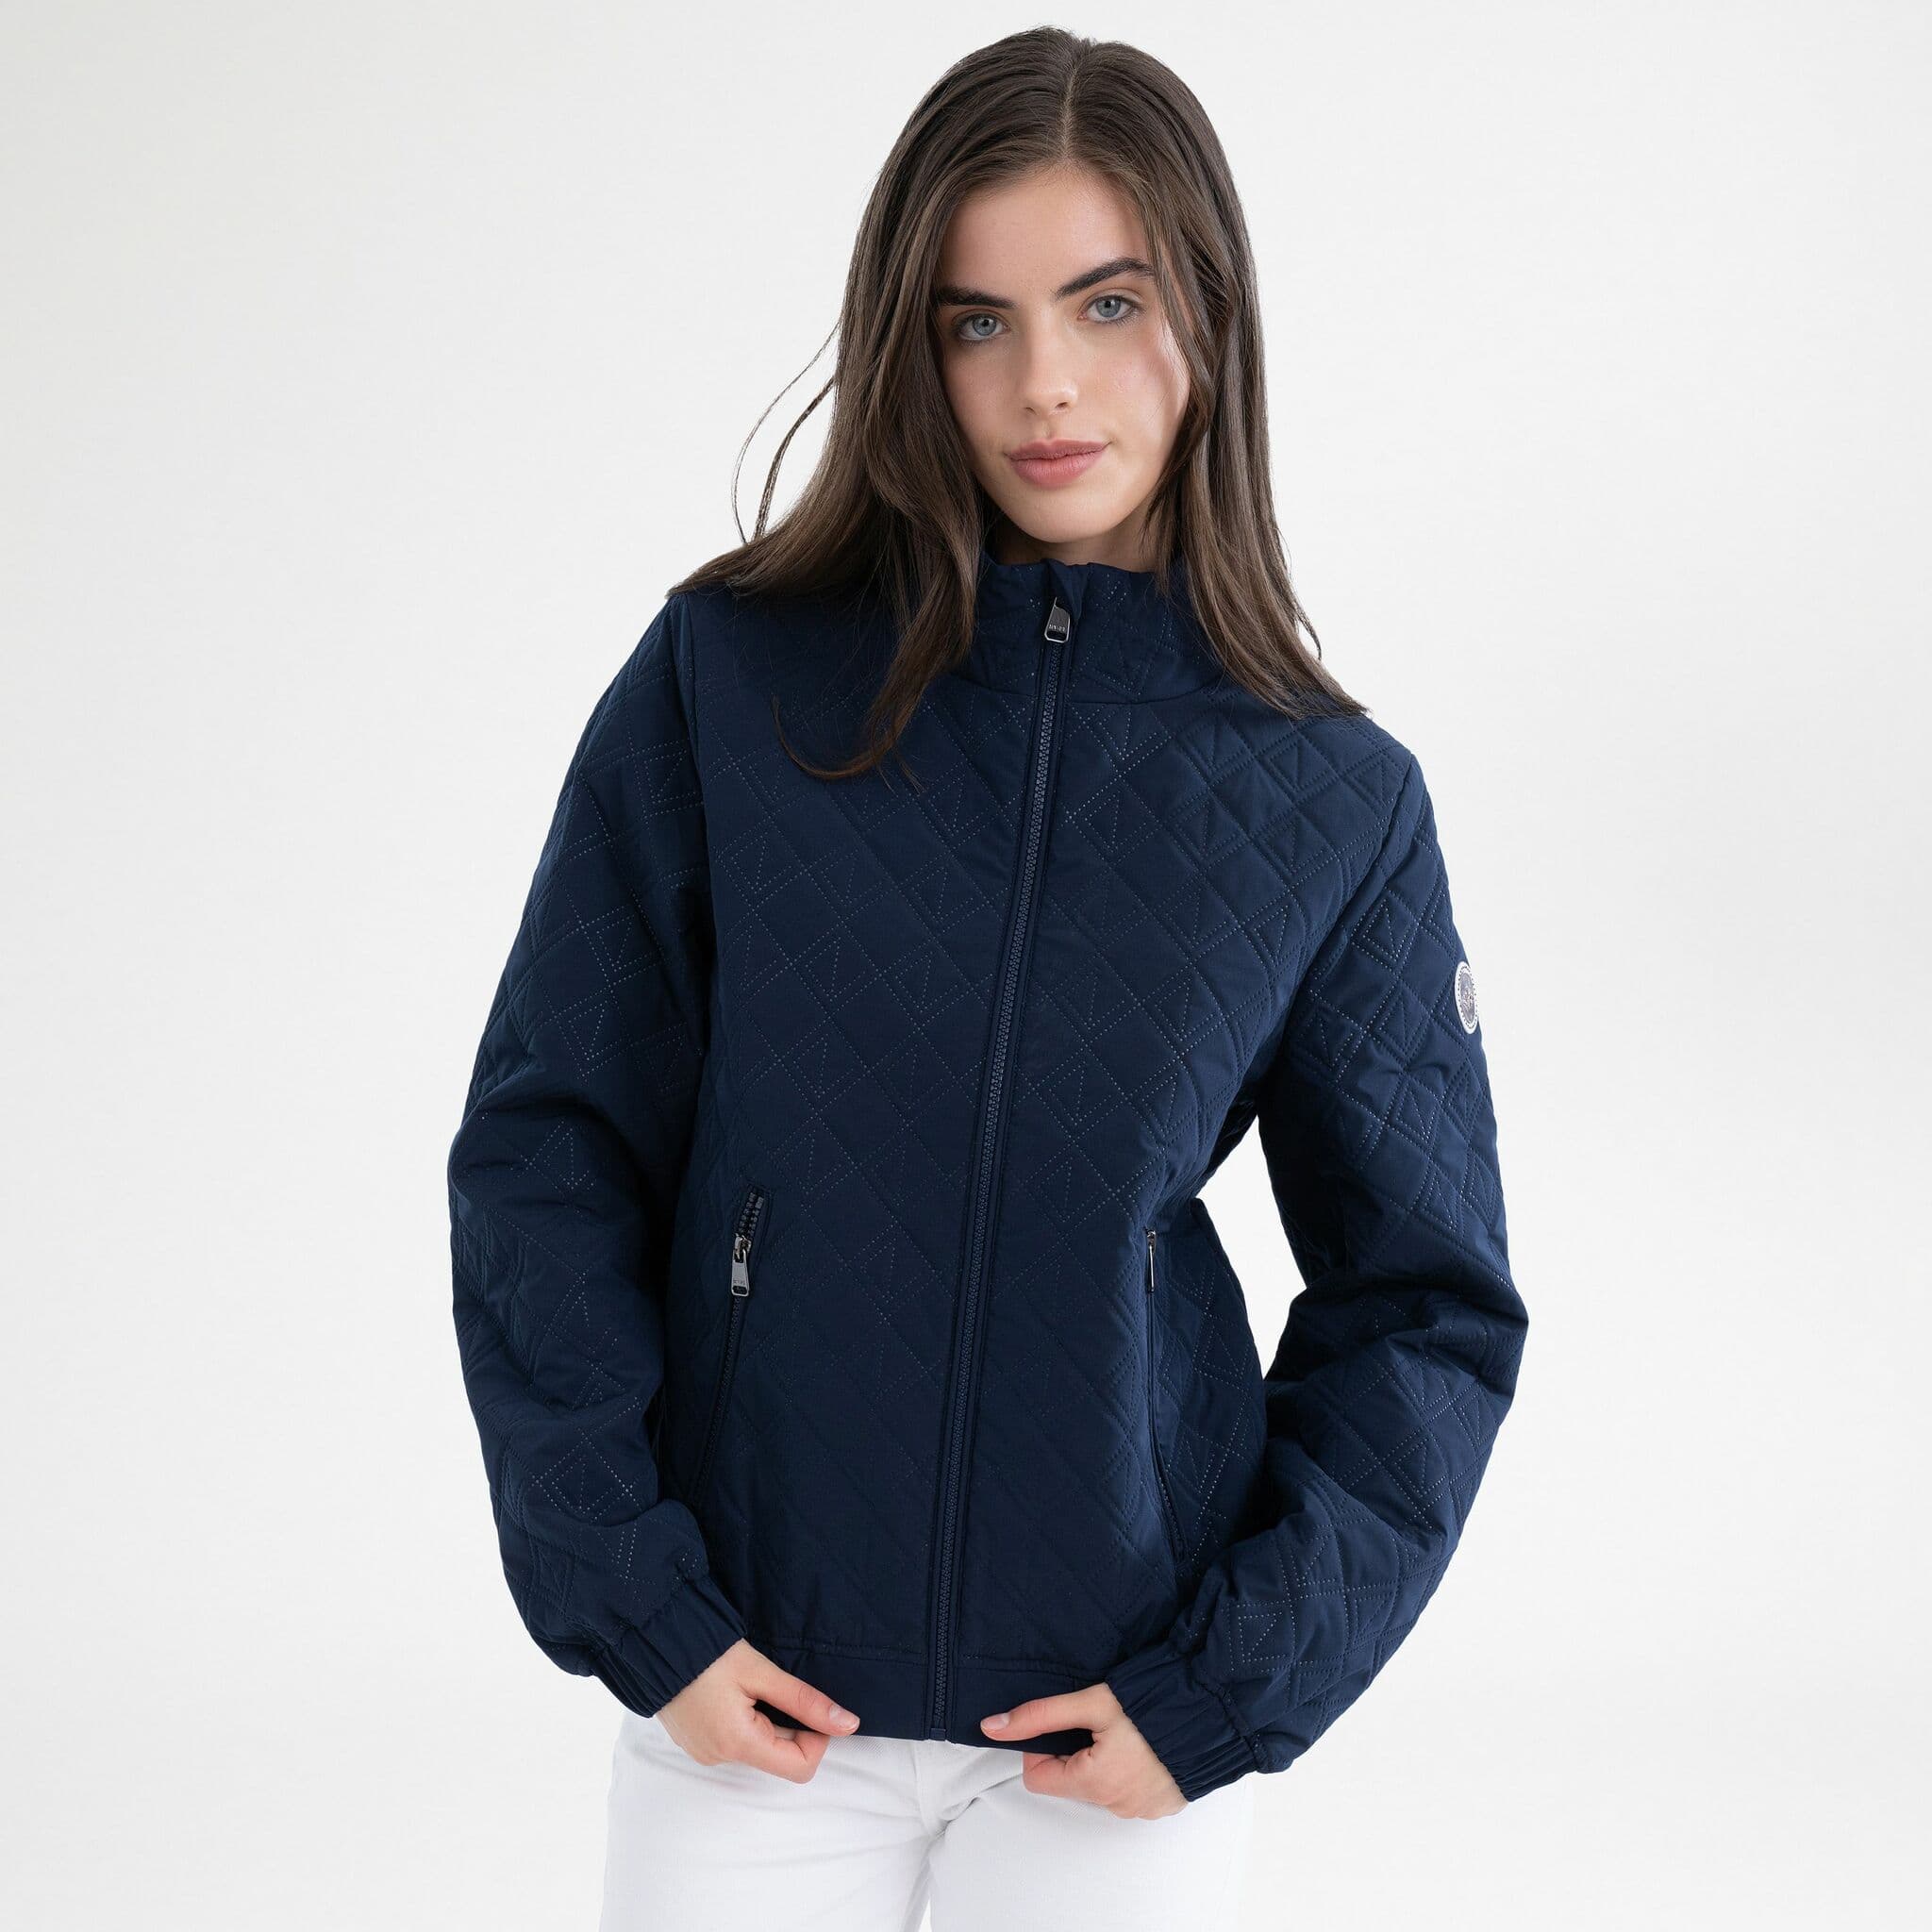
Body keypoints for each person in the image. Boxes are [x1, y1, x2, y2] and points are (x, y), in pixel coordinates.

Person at [445, 26, 1527, 1931]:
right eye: (975, 322)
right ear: (910, 344)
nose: (1043, 385)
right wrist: (637, 1598)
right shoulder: (728, 685)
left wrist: (1227, 1686)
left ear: (1208, 318)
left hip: (1113, 1731)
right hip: (756, 1703)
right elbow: (551, 1148)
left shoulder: (1330, 798)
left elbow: (1425, 1304)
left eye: (1107, 304)